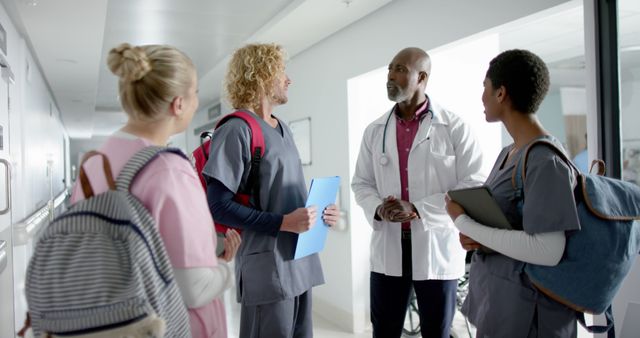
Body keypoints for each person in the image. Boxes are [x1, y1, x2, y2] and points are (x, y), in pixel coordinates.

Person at [71, 43, 240, 338]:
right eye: (195, 92)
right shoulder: (170, 170)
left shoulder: (96, 161)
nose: (197, 102)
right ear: (178, 104)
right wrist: (226, 267)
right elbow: (194, 289)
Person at [202, 43, 340, 338]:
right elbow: (218, 205)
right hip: (267, 267)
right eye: (281, 72)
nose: (288, 79)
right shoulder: (237, 129)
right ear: (261, 75)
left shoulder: (283, 128)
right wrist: (283, 223)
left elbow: (282, 192)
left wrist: (321, 211)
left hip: (300, 261)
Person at [444, 49, 580, 337]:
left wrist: (463, 222)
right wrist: (477, 238)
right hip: (502, 305)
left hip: (531, 316)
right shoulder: (510, 153)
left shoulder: (545, 161)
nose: (482, 97)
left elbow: (548, 250)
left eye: (485, 87)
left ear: (501, 93)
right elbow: (508, 224)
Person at [351, 47, 485, 338]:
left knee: (437, 332)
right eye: (389, 68)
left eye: (399, 69)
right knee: (384, 331)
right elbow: (361, 182)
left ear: (422, 77)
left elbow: (473, 183)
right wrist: (378, 207)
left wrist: (418, 209)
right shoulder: (374, 131)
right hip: (389, 248)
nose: (390, 76)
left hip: (436, 247)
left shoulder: (455, 127)